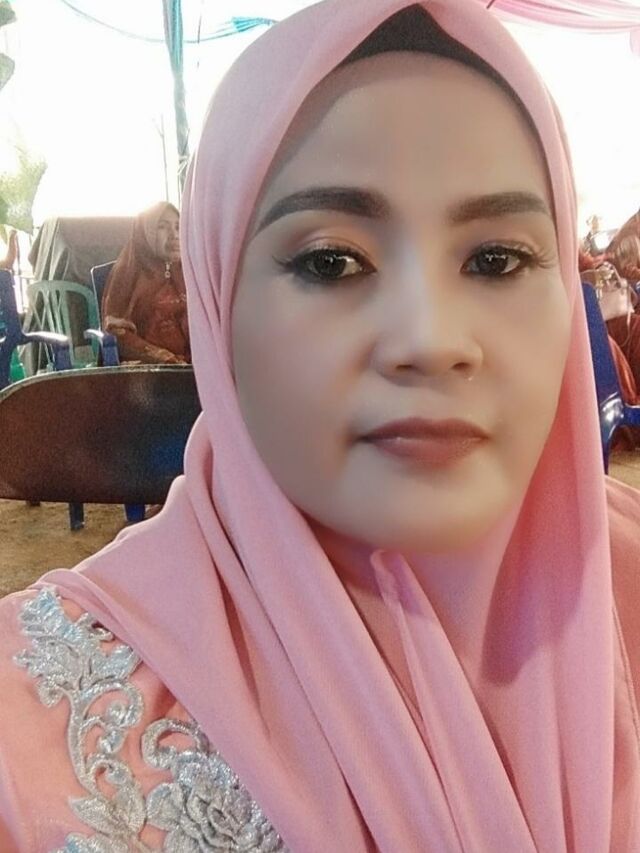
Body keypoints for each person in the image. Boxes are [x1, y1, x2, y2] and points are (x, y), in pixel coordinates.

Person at [0, 1, 639, 850]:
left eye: (497, 258)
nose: (430, 340)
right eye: (332, 262)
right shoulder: (26, 733)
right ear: (219, 302)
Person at [101, 201, 190, 364]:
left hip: (189, 365)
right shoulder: (128, 271)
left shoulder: (188, 270)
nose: (174, 235)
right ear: (145, 233)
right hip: (144, 367)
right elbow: (116, 331)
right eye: (162, 227)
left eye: (178, 227)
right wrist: (163, 358)